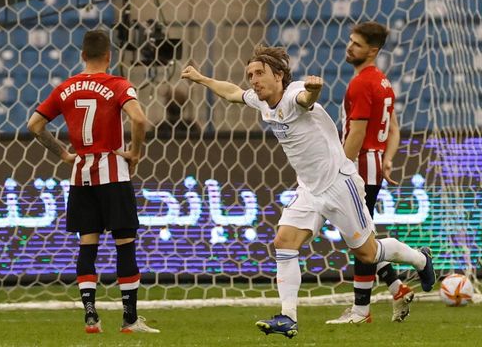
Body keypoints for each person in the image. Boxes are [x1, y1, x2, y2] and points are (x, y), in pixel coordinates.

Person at [180, 45, 435, 339]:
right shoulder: (262, 102)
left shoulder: (294, 94)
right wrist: (201, 78)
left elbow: (305, 100)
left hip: (339, 184)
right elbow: (232, 93)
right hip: (309, 189)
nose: (253, 80)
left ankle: (420, 259)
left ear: (279, 75)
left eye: (259, 73)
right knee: (284, 241)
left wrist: (313, 90)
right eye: (250, 75)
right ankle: (288, 317)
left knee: (368, 253)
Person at [27, 30, 160, 333]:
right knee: (125, 244)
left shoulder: (65, 88)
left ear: (83, 55)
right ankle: (129, 320)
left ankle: (91, 316)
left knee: (88, 244)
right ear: (109, 57)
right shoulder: (118, 84)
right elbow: (139, 119)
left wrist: (64, 154)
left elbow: (34, 125)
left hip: (81, 176)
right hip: (113, 173)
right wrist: (135, 153)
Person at [326, 21, 413, 325]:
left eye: (357, 44)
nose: (350, 47)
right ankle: (397, 287)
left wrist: (340, 169)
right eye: (350, 41)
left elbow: (358, 133)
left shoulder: (362, 83)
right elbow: (394, 129)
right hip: (373, 164)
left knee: (359, 238)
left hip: (360, 165)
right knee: (362, 237)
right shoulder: (383, 82)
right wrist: (387, 159)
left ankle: (361, 311)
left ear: (373, 51)